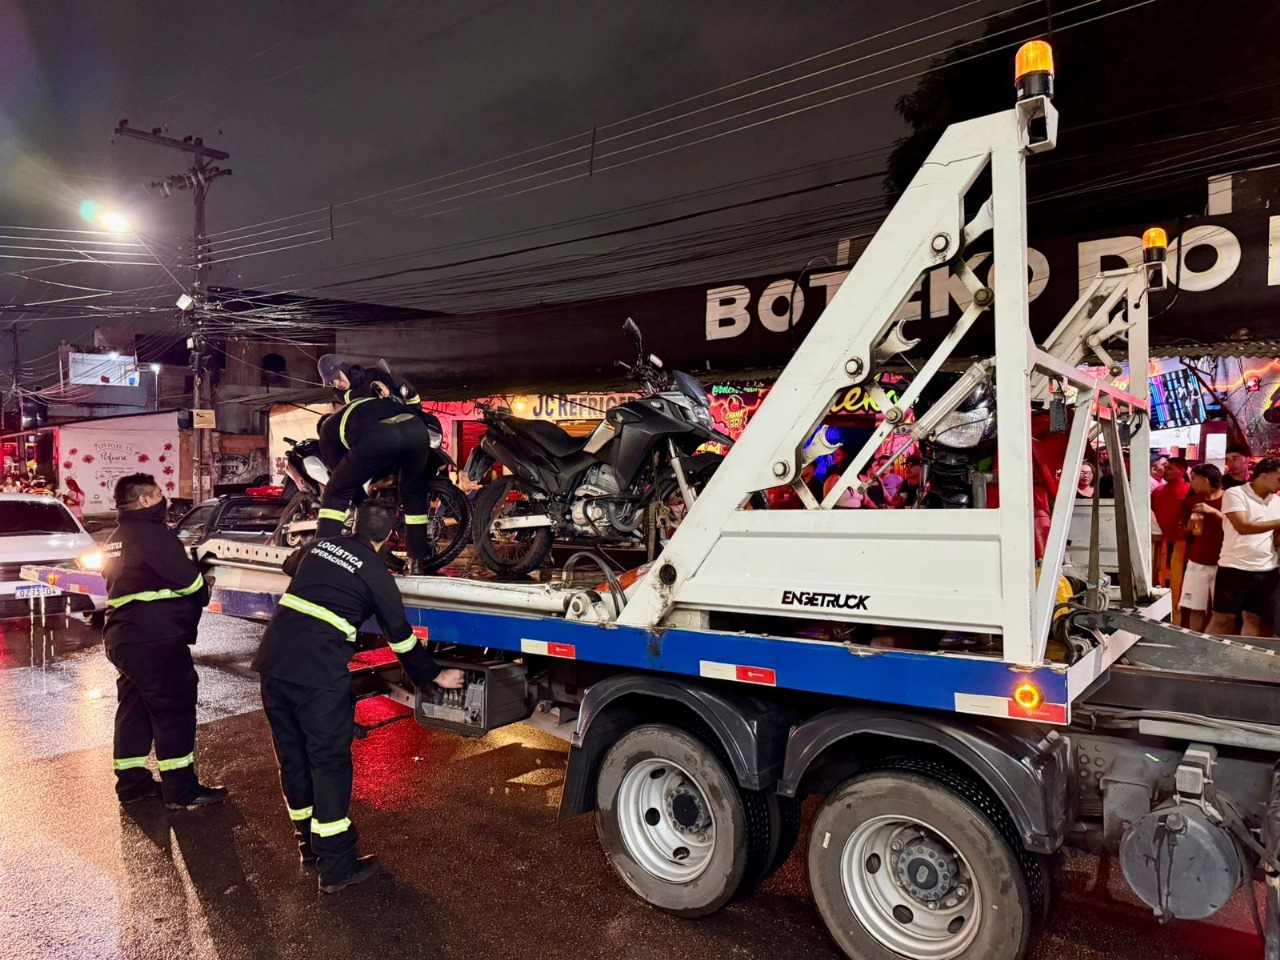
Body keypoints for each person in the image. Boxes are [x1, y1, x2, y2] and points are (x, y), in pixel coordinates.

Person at [252, 503, 465, 893]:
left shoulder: (320, 546)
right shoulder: (375, 574)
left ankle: (309, 848)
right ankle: (336, 866)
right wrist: (434, 676)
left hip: (274, 666)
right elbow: (400, 637)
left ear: (352, 525)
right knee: (329, 765)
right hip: (317, 677)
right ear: (389, 537)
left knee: (293, 759)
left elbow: (291, 566)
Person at [101, 473, 225, 809]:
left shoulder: (117, 537)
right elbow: (188, 583)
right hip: (154, 639)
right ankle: (182, 791)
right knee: (174, 710)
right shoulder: (152, 535)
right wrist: (203, 582)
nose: (163, 498)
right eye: (157, 494)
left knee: (134, 710)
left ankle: (132, 784)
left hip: (124, 638)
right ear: (143, 500)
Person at [315, 397, 442, 575]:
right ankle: (416, 563)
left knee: (335, 494)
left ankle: (321, 560)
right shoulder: (361, 407)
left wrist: (364, 502)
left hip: (379, 434)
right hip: (416, 429)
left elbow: (345, 483)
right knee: (413, 494)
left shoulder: (327, 433)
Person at [1202, 457, 1280, 638]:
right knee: (1223, 619)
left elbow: (1274, 541)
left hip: (1266, 569)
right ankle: (1205, 659)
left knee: (1254, 619)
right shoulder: (1235, 493)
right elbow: (1243, 526)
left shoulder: (1277, 502)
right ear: (1263, 475)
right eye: (1278, 477)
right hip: (1233, 567)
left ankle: (1245, 662)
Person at [1178, 463, 1225, 633]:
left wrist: (1213, 512)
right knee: (1195, 607)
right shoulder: (1192, 501)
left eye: (1194, 479)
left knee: (1221, 611)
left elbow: (1236, 526)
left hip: (1224, 562)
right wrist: (1189, 527)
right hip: (1197, 561)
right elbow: (1184, 531)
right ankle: (1194, 642)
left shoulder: (1229, 499)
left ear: (1205, 480)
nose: (1191, 483)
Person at [318, 355, 420, 406]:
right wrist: (374, 386)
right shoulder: (340, 394)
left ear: (344, 368)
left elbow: (411, 393)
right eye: (331, 382)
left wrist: (418, 415)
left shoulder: (376, 373)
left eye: (338, 377)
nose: (336, 384)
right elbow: (358, 395)